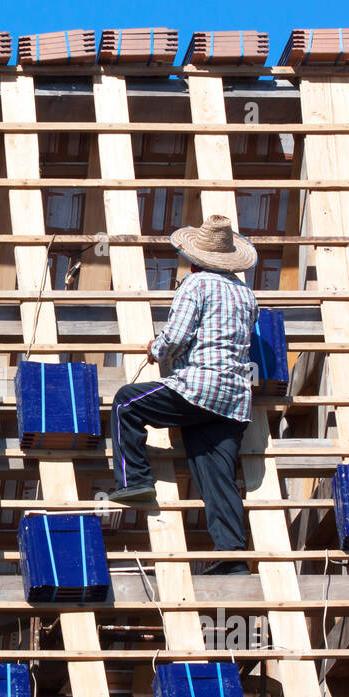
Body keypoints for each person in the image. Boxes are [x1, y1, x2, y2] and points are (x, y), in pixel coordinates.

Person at [107, 215, 259, 576]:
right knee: (216, 475)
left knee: (126, 402)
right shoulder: (246, 294)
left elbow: (175, 339)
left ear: (194, 257)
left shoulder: (196, 285)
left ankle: (135, 484)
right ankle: (231, 556)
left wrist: (154, 349)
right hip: (235, 400)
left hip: (199, 388)